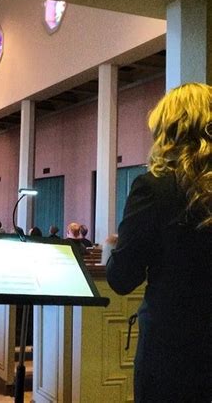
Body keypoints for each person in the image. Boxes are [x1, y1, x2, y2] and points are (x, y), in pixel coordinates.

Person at [106, 83, 211, 402]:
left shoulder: (154, 187)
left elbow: (122, 279)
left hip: (172, 351)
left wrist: (113, 247)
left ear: (169, 131)